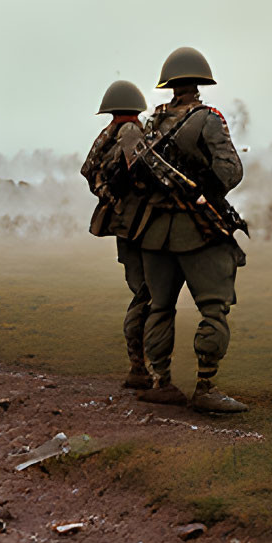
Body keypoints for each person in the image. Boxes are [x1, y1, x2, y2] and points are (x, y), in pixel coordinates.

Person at [133, 47, 248, 415]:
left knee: (159, 308)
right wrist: (204, 193)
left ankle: (161, 383)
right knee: (214, 309)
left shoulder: (151, 124)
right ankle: (205, 386)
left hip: (152, 234)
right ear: (200, 82)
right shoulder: (209, 119)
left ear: (170, 84)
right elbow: (231, 172)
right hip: (198, 231)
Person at [81, 79, 153, 389]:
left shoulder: (106, 135)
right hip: (140, 226)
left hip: (124, 227)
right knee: (146, 296)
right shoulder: (132, 132)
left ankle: (139, 366)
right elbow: (142, 170)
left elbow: (88, 171)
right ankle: (138, 368)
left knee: (140, 291)